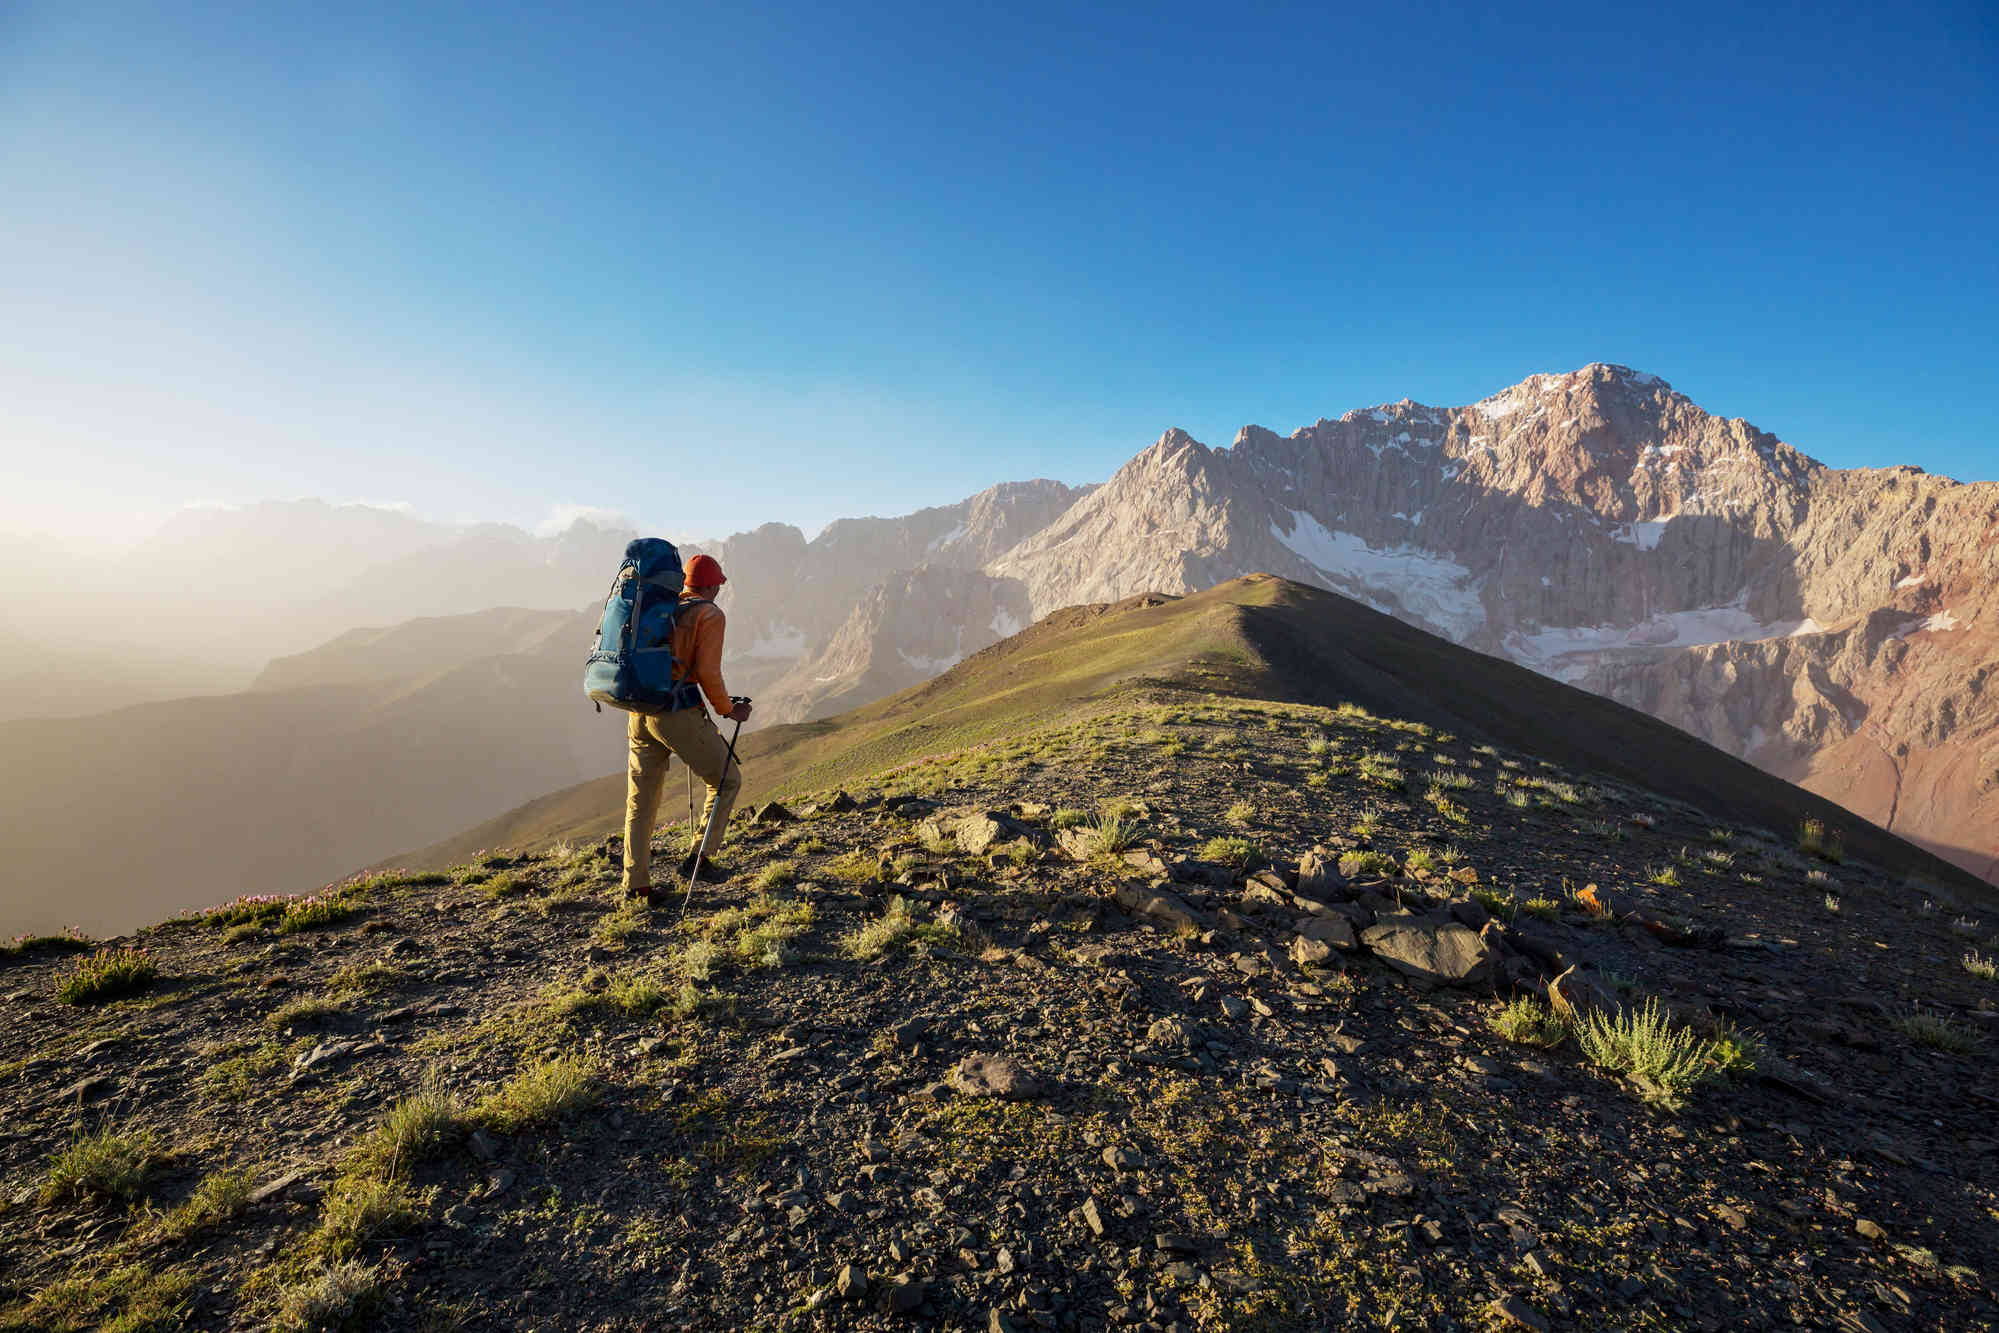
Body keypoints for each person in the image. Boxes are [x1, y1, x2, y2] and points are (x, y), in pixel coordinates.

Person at [621, 553, 752, 902]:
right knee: (726, 780)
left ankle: (636, 887)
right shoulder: (708, 614)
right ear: (712, 585)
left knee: (641, 800)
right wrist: (728, 710)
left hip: (639, 711)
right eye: (719, 585)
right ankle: (700, 858)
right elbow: (708, 673)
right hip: (676, 714)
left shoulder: (664, 607)